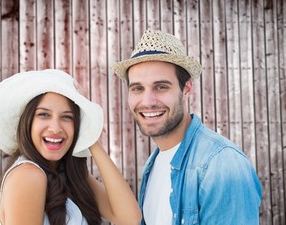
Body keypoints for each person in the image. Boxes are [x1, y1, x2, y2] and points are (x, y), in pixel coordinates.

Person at [112, 29, 262, 224]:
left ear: (187, 89)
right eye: (138, 88)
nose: (147, 101)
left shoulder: (221, 165)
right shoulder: (155, 162)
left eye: (161, 87)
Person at [0, 69, 142, 225]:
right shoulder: (29, 175)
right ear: (28, 122)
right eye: (44, 115)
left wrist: (89, 133)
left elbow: (129, 218)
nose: (55, 128)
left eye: (67, 117)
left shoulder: (69, 175)